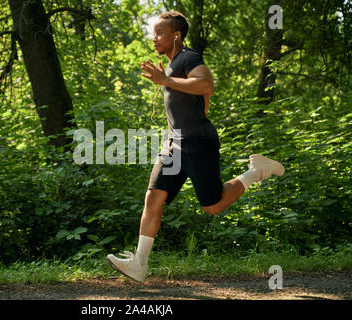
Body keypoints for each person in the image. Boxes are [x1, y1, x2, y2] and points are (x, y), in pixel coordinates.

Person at [106, 11, 285, 283]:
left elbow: (206, 85)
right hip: (174, 144)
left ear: (176, 35)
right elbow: (201, 100)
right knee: (154, 196)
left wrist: (165, 80)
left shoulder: (187, 57)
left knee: (212, 205)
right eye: (153, 33)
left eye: (160, 33)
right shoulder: (170, 65)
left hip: (198, 142)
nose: (154, 38)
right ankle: (139, 265)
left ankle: (256, 171)